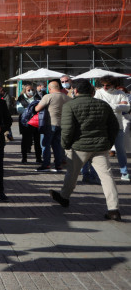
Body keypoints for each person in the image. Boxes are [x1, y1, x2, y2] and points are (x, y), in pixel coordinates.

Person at [50, 78, 121, 221]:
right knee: (107, 177)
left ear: (75, 91)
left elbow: (67, 129)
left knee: (72, 173)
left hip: (79, 147)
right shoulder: (103, 105)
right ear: (91, 91)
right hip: (100, 147)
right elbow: (114, 126)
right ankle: (113, 209)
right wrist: (109, 143)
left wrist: (65, 145)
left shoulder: (70, 106)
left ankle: (64, 197)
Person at [94, 76, 130, 182]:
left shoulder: (120, 93)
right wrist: (118, 106)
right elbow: (97, 105)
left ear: (113, 85)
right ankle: (102, 172)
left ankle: (124, 172)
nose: (105, 87)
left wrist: (108, 105)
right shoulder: (99, 92)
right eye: (103, 85)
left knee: (121, 150)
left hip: (118, 125)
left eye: (107, 85)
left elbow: (127, 107)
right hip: (103, 125)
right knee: (101, 151)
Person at [36, 79, 70, 172]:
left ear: (50, 88)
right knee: (57, 146)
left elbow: (37, 108)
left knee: (45, 145)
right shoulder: (67, 97)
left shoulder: (48, 96)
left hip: (50, 124)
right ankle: (58, 165)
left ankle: (46, 164)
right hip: (62, 124)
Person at [16, 83, 42, 164]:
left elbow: (41, 107)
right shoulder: (21, 98)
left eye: (32, 90)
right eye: (28, 90)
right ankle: (24, 157)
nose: (31, 91)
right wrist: (31, 111)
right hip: (25, 122)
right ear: (25, 91)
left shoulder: (37, 97)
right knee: (25, 140)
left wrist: (29, 110)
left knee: (37, 140)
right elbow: (19, 110)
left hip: (36, 121)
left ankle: (38, 158)